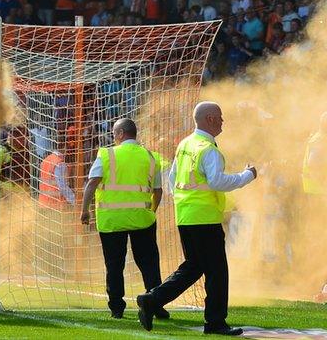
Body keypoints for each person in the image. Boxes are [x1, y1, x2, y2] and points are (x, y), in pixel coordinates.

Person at [136, 102, 257, 336]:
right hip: (205, 218)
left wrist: (185, 201)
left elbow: (172, 180)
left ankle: (152, 300)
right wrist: (247, 175)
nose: (223, 121)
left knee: (194, 267)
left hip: (186, 216)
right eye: (220, 117)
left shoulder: (185, 144)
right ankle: (215, 322)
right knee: (217, 271)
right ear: (210, 119)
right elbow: (217, 182)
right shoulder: (208, 149)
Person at [79, 118, 169, 320]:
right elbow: (158, 191)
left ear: (120, 134)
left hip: (112, 220)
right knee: (149, 263)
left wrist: (84, 210)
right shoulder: (151, 157)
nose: (113, 137)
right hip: (142, 219)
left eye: (114, 133)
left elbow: (92, 183)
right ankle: (156, 303)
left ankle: (117, 308)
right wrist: (151, 211)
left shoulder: (107, 154)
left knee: (114, 265)